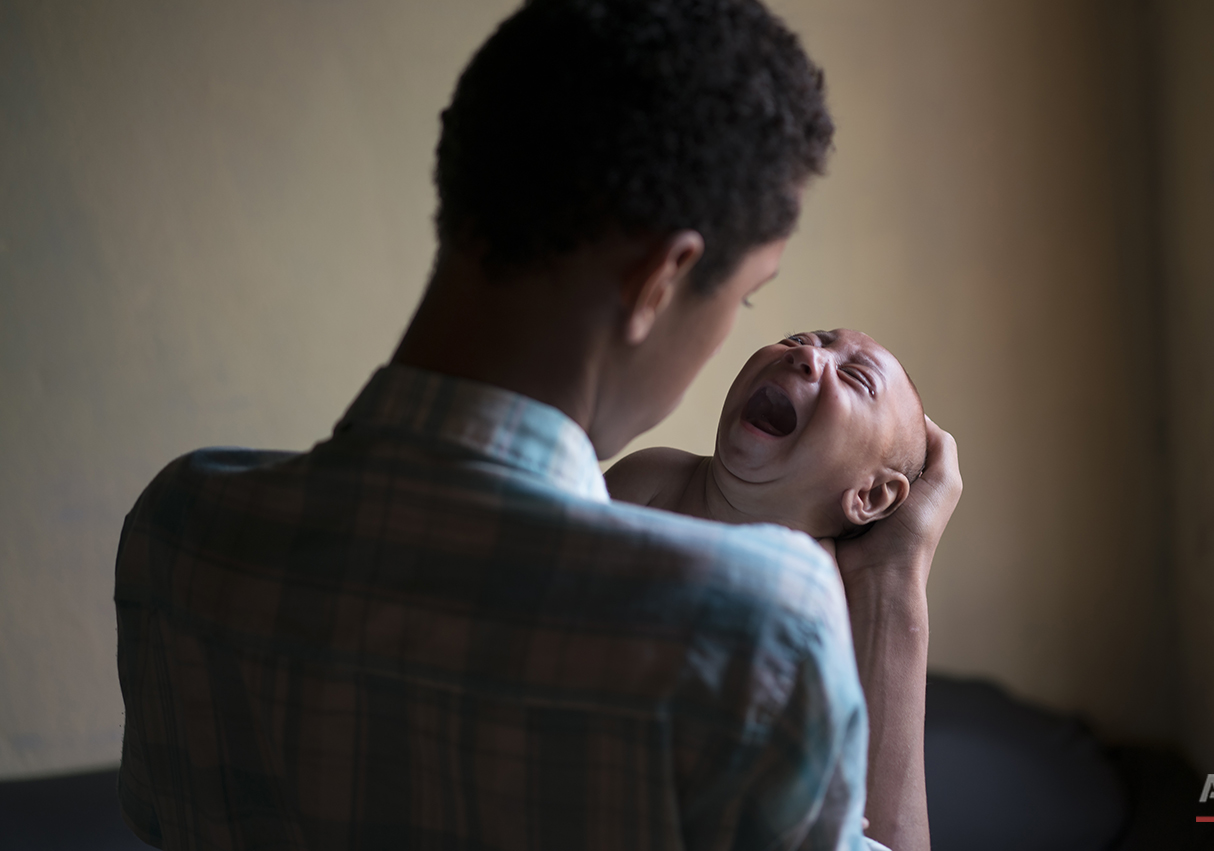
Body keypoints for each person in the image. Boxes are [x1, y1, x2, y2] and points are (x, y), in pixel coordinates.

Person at [113, 1, 961, 849]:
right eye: (747, 298)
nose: (775, 345)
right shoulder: (758, 635)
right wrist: (894, 589)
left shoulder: (180, 527)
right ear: (661, 280)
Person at [605, 329, 928, 542]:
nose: (808, 355)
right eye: (798, 340)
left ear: (870, 496)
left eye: (855, 377)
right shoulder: (653, 477)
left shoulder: (817, 590)